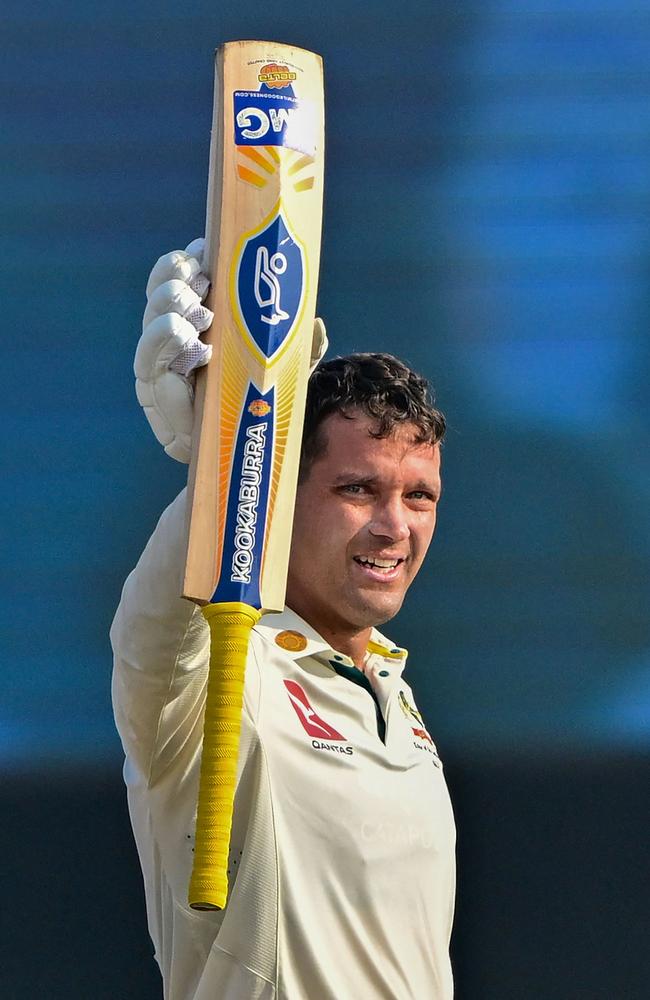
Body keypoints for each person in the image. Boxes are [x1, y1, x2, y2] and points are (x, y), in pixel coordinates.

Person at [111, 240, 456, 1000]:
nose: (395, 527)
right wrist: (228, 459)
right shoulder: (225, 672)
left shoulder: (390, 684)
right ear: (283, 497)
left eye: (419, 496)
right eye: (358, 489)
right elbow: (158, 629)